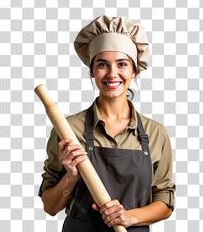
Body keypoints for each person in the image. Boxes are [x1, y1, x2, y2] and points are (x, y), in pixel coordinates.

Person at [38, 15, 175, 232]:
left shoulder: (155, 133)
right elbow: (50, 206)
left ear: (134, 70)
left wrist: (129, 217)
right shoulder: (68, 129)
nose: (112, 74)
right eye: (103, 64)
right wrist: (71, 176)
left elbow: (165, 203)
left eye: (122, 64)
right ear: (92, 71)